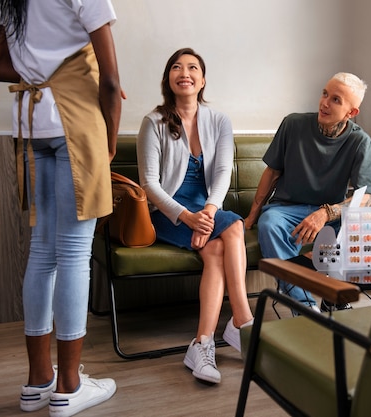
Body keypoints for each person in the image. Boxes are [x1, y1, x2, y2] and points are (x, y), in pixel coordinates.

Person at [0, 1, 122, 415]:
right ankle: (69, 384)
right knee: (75, 254)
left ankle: (38, 380)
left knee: (43, 250)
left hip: (31, 125)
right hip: (77, 124)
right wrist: (110, 144)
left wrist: (39, 73)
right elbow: (112, 82)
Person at [136, 48, 254, 384]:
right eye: (176, 67)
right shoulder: (154, 122)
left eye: (192, 68)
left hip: (206, 208)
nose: (184, 72)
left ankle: (203, 343)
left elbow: (221, 174)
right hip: (167, 212)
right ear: (168, 78)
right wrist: (188, 218)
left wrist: (207, 213)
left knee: (221, 241)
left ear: (202, 80)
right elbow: (149, 185)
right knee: (233, 228)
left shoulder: (219, 121)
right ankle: (241, 321)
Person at [244, 72, 371, 313]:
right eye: (325, 94)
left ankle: (333, 294)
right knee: (269, 224)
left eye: (336, 100)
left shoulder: (361, 142)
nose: (324, 103)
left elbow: (366, 198)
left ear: (351, 113)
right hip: (285, 210)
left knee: (362, 228)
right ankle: (305, 308)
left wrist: (326, 214)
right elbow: (272, 172)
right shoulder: (293, 124)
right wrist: (253, 215)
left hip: (330, 214)